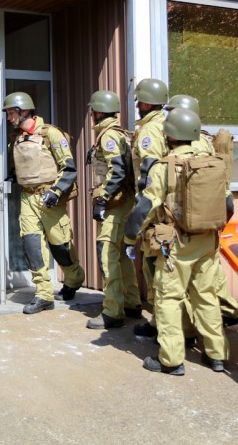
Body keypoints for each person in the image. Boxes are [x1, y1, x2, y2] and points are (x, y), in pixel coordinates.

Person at [124, 108, 229, 375]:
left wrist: (129, 236)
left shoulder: (164, 166)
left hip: (176, 245)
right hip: (208, 241)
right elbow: (227, 205)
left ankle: (171, 360)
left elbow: (145, 206)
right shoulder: (213, 163)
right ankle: (217, 355)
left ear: (169, 135)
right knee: (206, 296)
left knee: (169, 298)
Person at [2, 91, 85, 314]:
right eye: (8, 113)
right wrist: (12, 177)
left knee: (60, 246)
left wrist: (57, 192)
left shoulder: (51, 134)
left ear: (24, 111)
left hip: (50, 197)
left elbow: (68, 168)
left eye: (11, 113)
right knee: (32, 245)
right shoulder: (17, 137)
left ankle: (74, 278)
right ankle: (44, 294)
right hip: (27, 197)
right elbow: (22, 165)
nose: (9, 118)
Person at [165, 94, 238, 329]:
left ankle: (189, 330)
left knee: (191, 282)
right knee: (210, 271)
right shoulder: (205, 141)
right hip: (211, 213)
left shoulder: (188, 144)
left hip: (190, 218)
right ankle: (227, 311)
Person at [84, 90, 142, 329]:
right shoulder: (121, 133)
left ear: (98, 111)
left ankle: (113, 311)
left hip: (116, 205)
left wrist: (102, 199)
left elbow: (116, 171)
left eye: (92, 110)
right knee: (121, 255)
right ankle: (132, 303)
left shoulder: (109, 136)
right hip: (127, 202)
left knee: (107, 254)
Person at [129, 78, 169, 338]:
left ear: (145, 102)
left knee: (154, 268)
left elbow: (149, 172)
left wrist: (141, 211)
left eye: (138, 101)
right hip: (168, 206)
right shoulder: (168, 124)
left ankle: (160, 326)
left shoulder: (150, 131)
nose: (137, 106)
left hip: (154, 209)